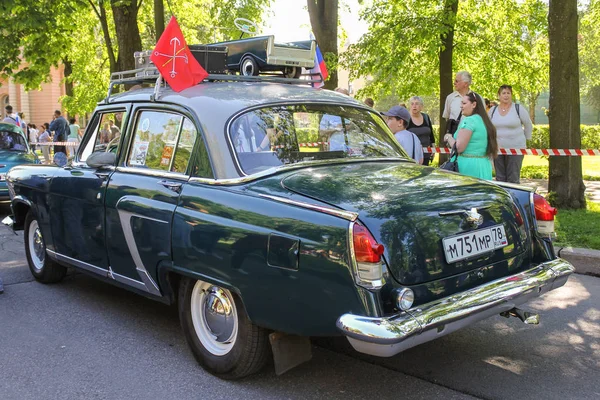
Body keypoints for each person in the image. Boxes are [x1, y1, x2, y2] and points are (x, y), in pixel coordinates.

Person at [443, 92, 498, 180]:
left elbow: (459, 148)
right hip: (483, 165)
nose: (461, 106)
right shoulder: (485, 121)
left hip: (468, 168)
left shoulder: (469, 121)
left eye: (464, 103)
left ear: (474, 104)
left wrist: (448, 137)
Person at [489, 84, 533, 184]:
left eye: (508, 93)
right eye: (503, 93)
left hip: (516, 149)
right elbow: (488, 127)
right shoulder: (493, 110)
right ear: (499, 95)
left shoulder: (518, 108)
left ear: (511, 95)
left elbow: (528, 125)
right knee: (500, 179)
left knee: (513, 178)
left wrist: (526, 139)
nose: (506, 95)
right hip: (498, 149)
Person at [442, 71, 483, 135]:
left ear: (465, 84)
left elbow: (482, 118)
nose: (454, 83)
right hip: (453, 137)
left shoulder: (477, 98)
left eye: (456, 81)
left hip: (473, 137)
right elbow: (447, 117)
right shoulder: (450, 98)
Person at [407, 96, 435, 166]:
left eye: (417, 104)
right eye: (412, 104)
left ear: (421, 106)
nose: (414, 106)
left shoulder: (426, 117)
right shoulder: (406, 118)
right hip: (411, 155)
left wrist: (433, 148)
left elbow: (431, 134)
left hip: (426, 153)